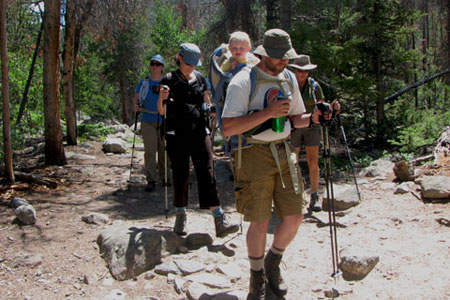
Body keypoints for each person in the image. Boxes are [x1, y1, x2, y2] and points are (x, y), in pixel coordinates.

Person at [222, 29, 331, 299]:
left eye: (287, 57)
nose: (285, 62)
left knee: (295, 215)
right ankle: (256, 276)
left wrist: (316, 117)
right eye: (280, 58)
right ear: (265, 54)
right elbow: (227, 128)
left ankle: (273, 261)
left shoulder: (289, 78)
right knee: (258, 220)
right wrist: (267, 113)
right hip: (252, 153)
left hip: (284, 151)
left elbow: (296, 119)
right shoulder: (242, 81)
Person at [157, 43, 239, 238]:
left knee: (208, 172)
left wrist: (211, 111)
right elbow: (162, 111)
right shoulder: (168, 79)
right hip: (176, 134)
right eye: (188, 63)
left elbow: (206, 102)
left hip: (200, 133)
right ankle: (180, 214)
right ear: (180, 58)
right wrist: (162, 98)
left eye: (194, 64)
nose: (191, 67)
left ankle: (219, 219)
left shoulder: (201, 79)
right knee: (180, 173)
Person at [288, 55, 340, 212]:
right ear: (295, 71)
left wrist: (332, 109)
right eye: (300, 71)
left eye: (305, 71)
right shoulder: (289, 86)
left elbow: (321, 106)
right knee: (293, 161)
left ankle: (315, 194)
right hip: (294, 125)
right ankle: (295, 195)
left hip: (312, 125)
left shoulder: (314, 86)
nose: (303, 74)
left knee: (313, 161)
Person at [134, 54, 167, 192]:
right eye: (152, 64)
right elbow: (136, 99)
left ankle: (165, 177)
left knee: (164, 151)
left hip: (164, 120)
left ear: (162, 67)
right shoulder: (144, 83)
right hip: (147, 119)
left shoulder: (167, 82)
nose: (154, 66)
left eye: (158, 64)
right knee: (150, 151)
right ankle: (151, 179)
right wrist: (136, 106)